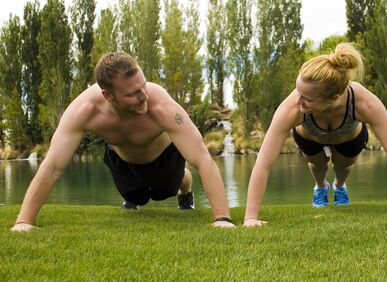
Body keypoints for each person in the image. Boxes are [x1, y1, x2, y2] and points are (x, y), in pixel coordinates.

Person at [11, 51, 235, 231]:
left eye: (143, 86)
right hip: (122, 159)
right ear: (108, 95)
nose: (143, 96)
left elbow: (203, 159)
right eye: (131, 94)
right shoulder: (84, 110)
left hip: (164, 157)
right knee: (134, 197)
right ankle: (134, 192)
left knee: (164, 190)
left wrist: (222, 218)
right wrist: (24, 221)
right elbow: (52, 165)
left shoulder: (161, 106)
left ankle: (184, 190)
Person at [244, 43, 387, 227]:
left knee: (344, 166)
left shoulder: (363, 102)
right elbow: (263, 163)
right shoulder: (292, 107)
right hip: (309, 137)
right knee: (317, 165)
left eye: (306, 98)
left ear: (333, 98)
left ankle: (339, 186)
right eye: (298, 91)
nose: (297, 100)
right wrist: (250, 218)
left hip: (349, 138)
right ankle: (320, 187)